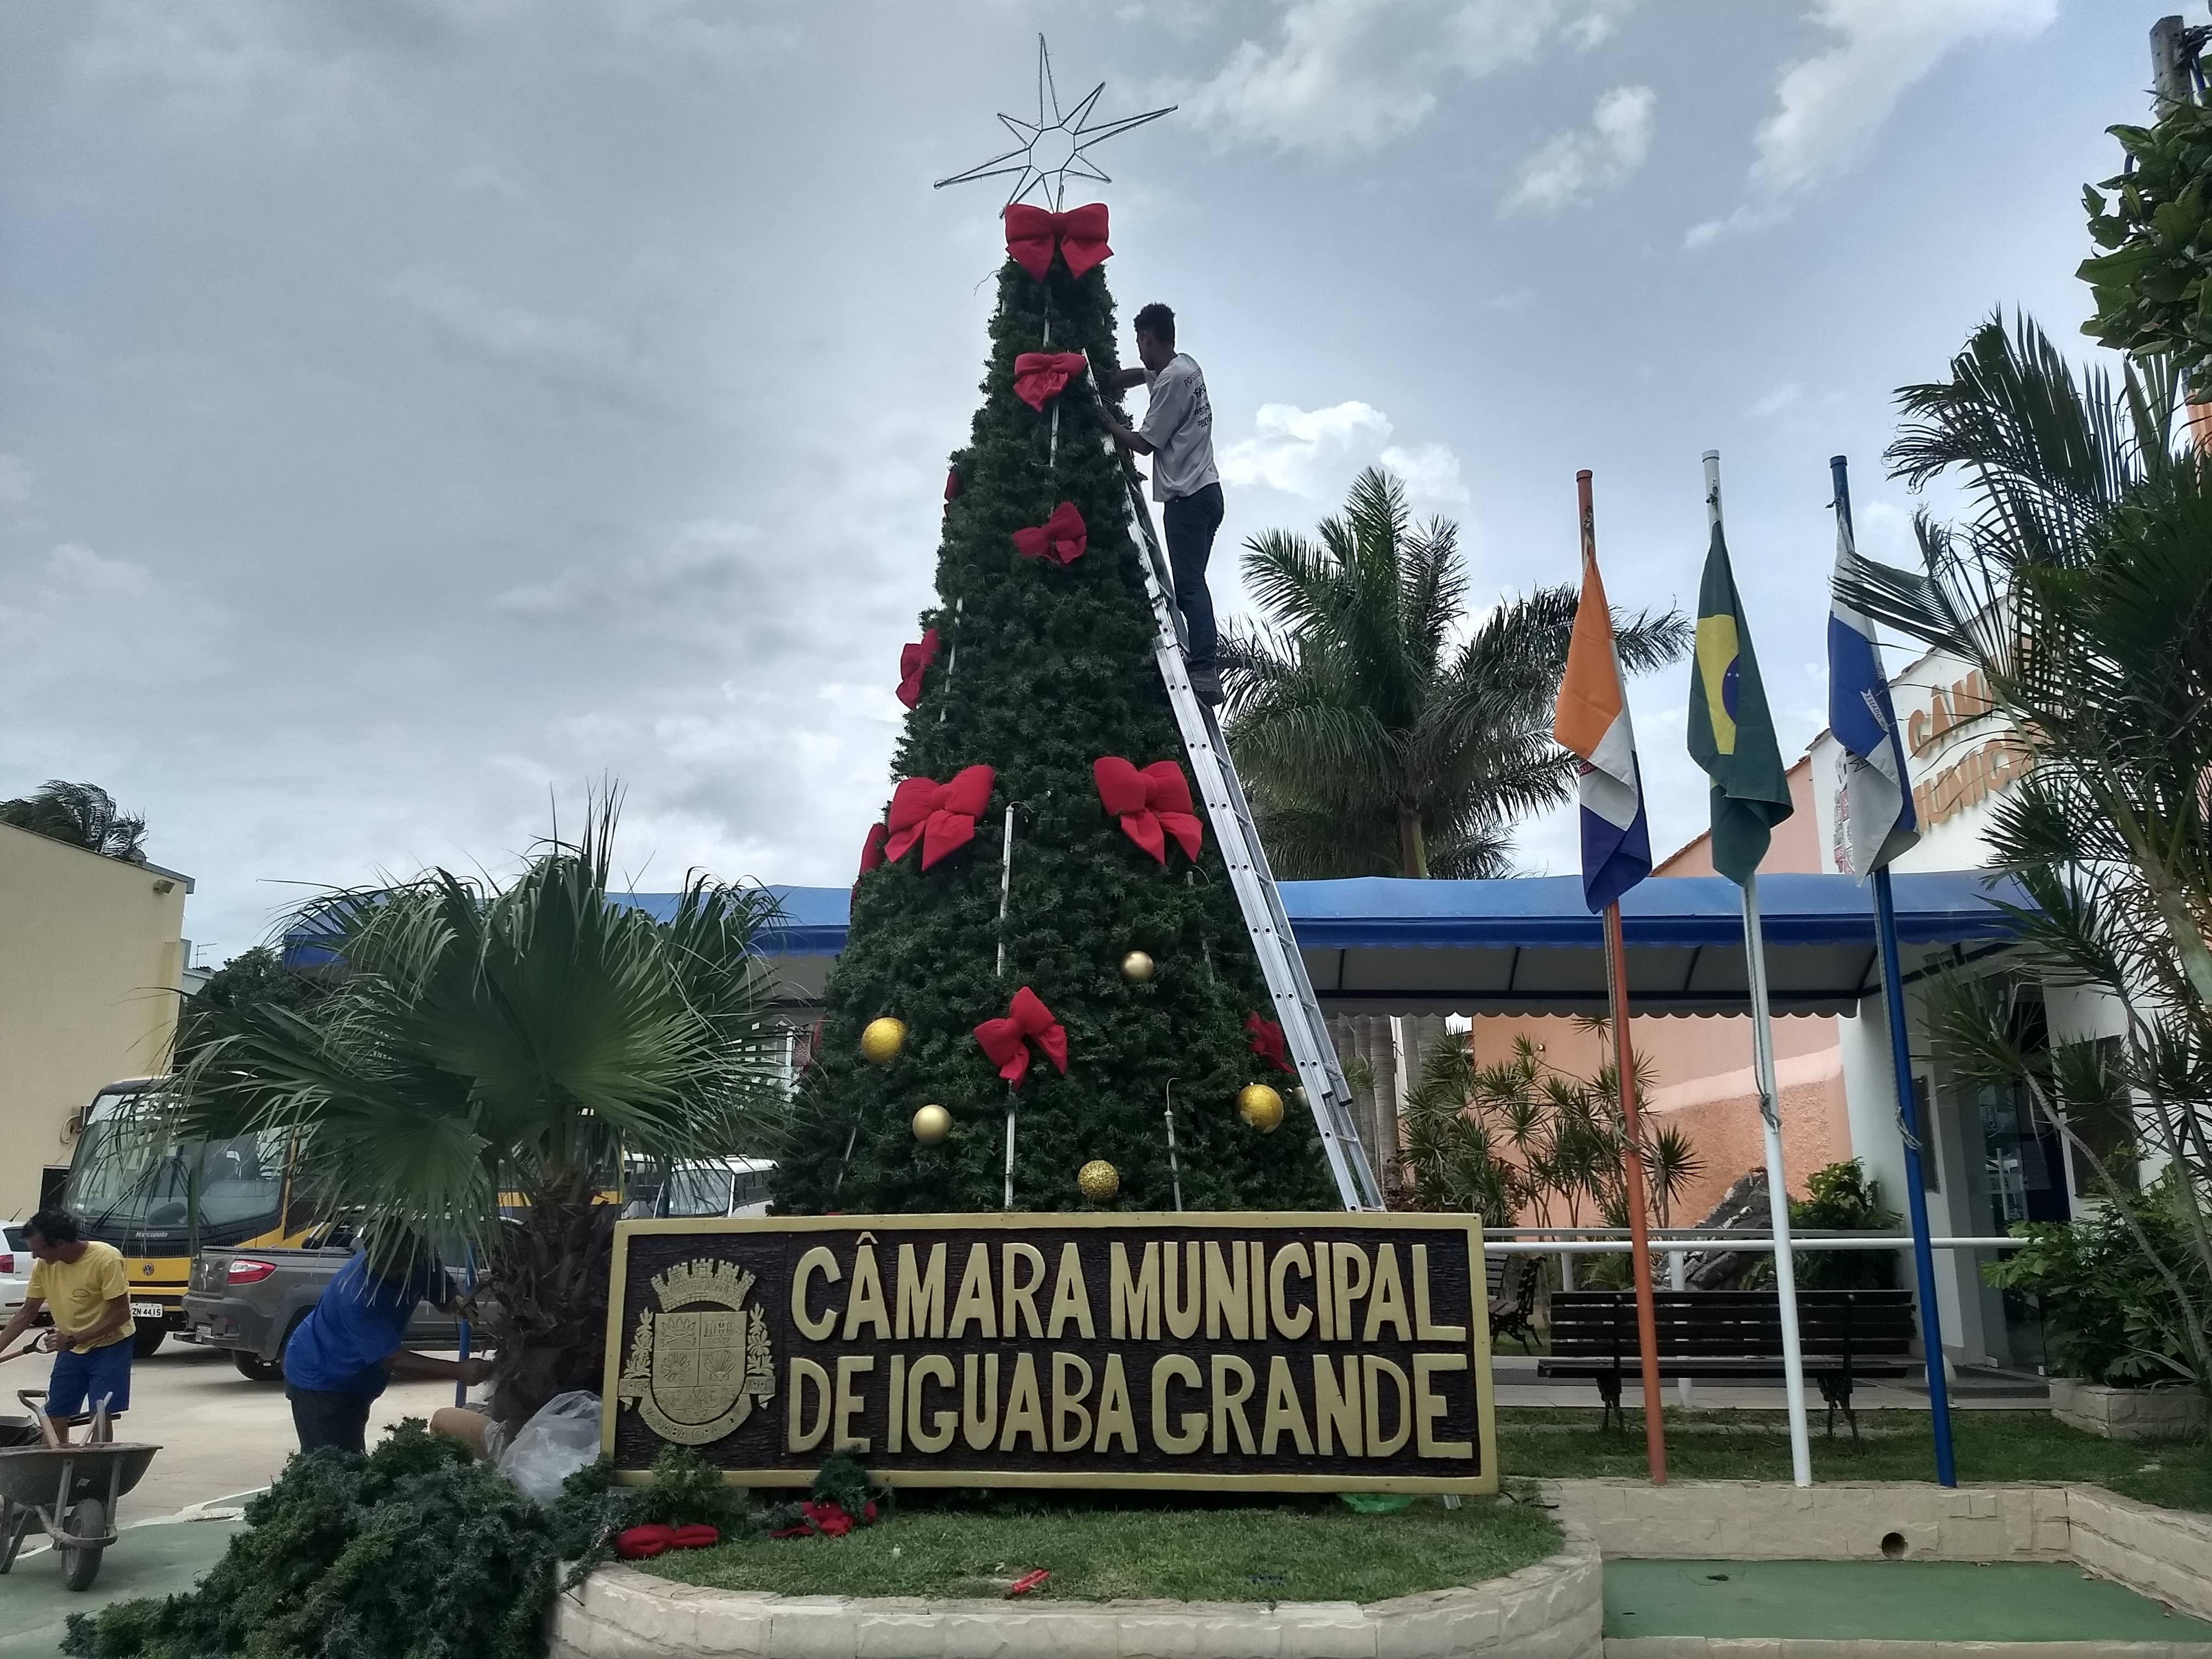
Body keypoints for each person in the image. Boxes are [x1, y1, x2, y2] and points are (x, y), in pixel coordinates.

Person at [1105, 302, 1226, 706]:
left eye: (1140, 342)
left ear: (1148, 337)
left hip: (1187, 500)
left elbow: (1143, 444)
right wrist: (1106, 381)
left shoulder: (1172, 382)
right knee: (1195, 582)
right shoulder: (1186, 365)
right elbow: (1143, 374)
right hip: (1209, 493)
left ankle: (1204, 668)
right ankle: (1204, 662)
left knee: (1189, 587)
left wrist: (1105, 422)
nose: (1139, 350)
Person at [283, 1238, 488, 1456]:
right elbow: (392, 1359)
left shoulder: (420, 1259)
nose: (403, 1275)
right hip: (321, 1377)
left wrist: (459, 1304)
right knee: (336, 1463)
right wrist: (458, 1370)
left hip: (358, 1379)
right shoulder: (356, 1294)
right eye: (394, 1273)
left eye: (406, 1269)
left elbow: (443, 1294)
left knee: (350, 1449)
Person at [0, 1210, 137, 1442]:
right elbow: (26, 1313)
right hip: (71, 1348)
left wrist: (73, 1340)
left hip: (110, 1345)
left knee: (100, 1416)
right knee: (54, 1417)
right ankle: (57, 1463)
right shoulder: (44, 1266)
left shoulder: (106, 1259)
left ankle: (98, 1464)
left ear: (61, 1243)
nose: (34, 1256)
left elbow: (121, 1314)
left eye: (39, 1249)